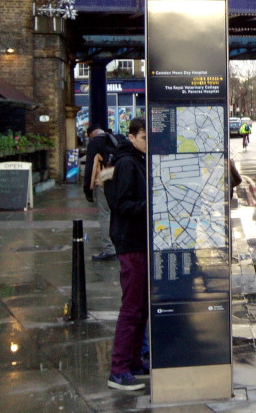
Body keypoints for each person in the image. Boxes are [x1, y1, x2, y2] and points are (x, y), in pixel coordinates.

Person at [106, 116, 149, 391]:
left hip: (139, 243)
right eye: (144, 137)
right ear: (131, 137)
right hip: (130, 244)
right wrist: (150, 205)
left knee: (141, 309)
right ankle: (119, 370)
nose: (147, 142)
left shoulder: (139, 161)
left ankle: (133, 361)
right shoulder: (127, 164)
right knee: (131, 309)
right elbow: (121, 204)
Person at [83, 124, 118, 261]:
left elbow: (90, 167)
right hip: (117, 180)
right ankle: (117, 246)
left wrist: (88, 189)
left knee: (105, 215)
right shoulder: (114, 138)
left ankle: (109, 249)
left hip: (103, 182)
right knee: (115, 213)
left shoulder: (95, 143)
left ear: (91, 135)